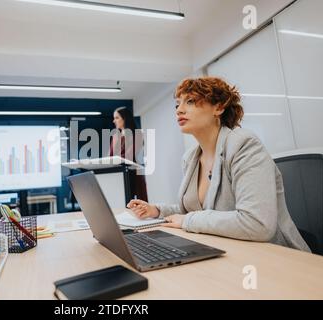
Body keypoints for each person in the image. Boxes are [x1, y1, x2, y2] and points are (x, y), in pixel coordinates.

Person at [127, 77, 310, 252]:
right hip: (227, 249)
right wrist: (156, 210)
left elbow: (257, 223)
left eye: (190, 101)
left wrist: (187, 221)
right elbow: (194, 210)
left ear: (219, 107)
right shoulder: (190, 158)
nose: (179, 110)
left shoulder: (243, 144)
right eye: (177, 104)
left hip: (274, 257)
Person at [110, 106, 148, 202]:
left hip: (132, 174)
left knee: (137, 205)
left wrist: (116, 158)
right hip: (118, 174)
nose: (114, 121)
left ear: (125, 118)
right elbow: (110, 157)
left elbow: (129, 156)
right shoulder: (115, 137)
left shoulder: (137, 134)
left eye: (117, 118)